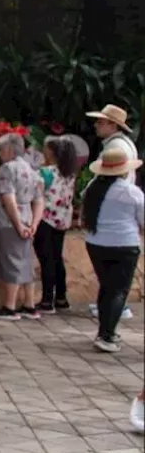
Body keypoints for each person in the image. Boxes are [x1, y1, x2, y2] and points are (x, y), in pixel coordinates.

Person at [81, 147, 143, 353]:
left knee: (107, 287)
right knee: (118, 291)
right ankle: (107, 335)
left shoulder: (92, 187)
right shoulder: (130, 191)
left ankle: (104, 331)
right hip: (124, 245)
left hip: (96, 243)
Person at [0, 132, 44, 320]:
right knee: (25, 261)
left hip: (7, 221)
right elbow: (39, 199)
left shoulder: (7, 169)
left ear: (9, 150)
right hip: (26, 218)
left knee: (11, 261)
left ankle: (9, 307)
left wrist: (17, 224)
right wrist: (34, 223)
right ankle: (29, 304)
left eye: (1, 150)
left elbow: (8, 198)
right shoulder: (32, 169)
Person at [34, 136, 78, 313]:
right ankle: (61, 298)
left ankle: (46, 300)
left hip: (45, 219)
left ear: (52, 151)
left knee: (46, 259)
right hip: (62, 219)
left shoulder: (45, 173)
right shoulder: (69, 173)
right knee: (57, 257)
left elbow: (36, 196)